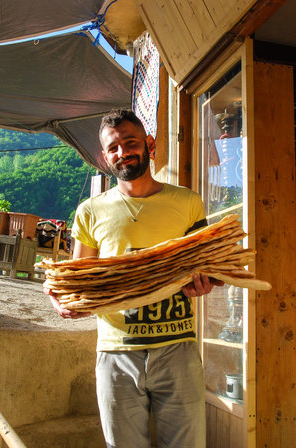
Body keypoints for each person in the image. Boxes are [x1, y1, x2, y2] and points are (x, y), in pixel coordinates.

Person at [44, 109, 223, 448]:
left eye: (130, 143)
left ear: (149, 144)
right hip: (116, 352)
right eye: (113, 148)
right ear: (104, 156)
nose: (122, 152)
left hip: (177, 346)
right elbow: (75, 280)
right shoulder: (90, 211)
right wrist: (57, 295)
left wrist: (205, 284)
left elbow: (205, 266)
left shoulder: (187, 202)